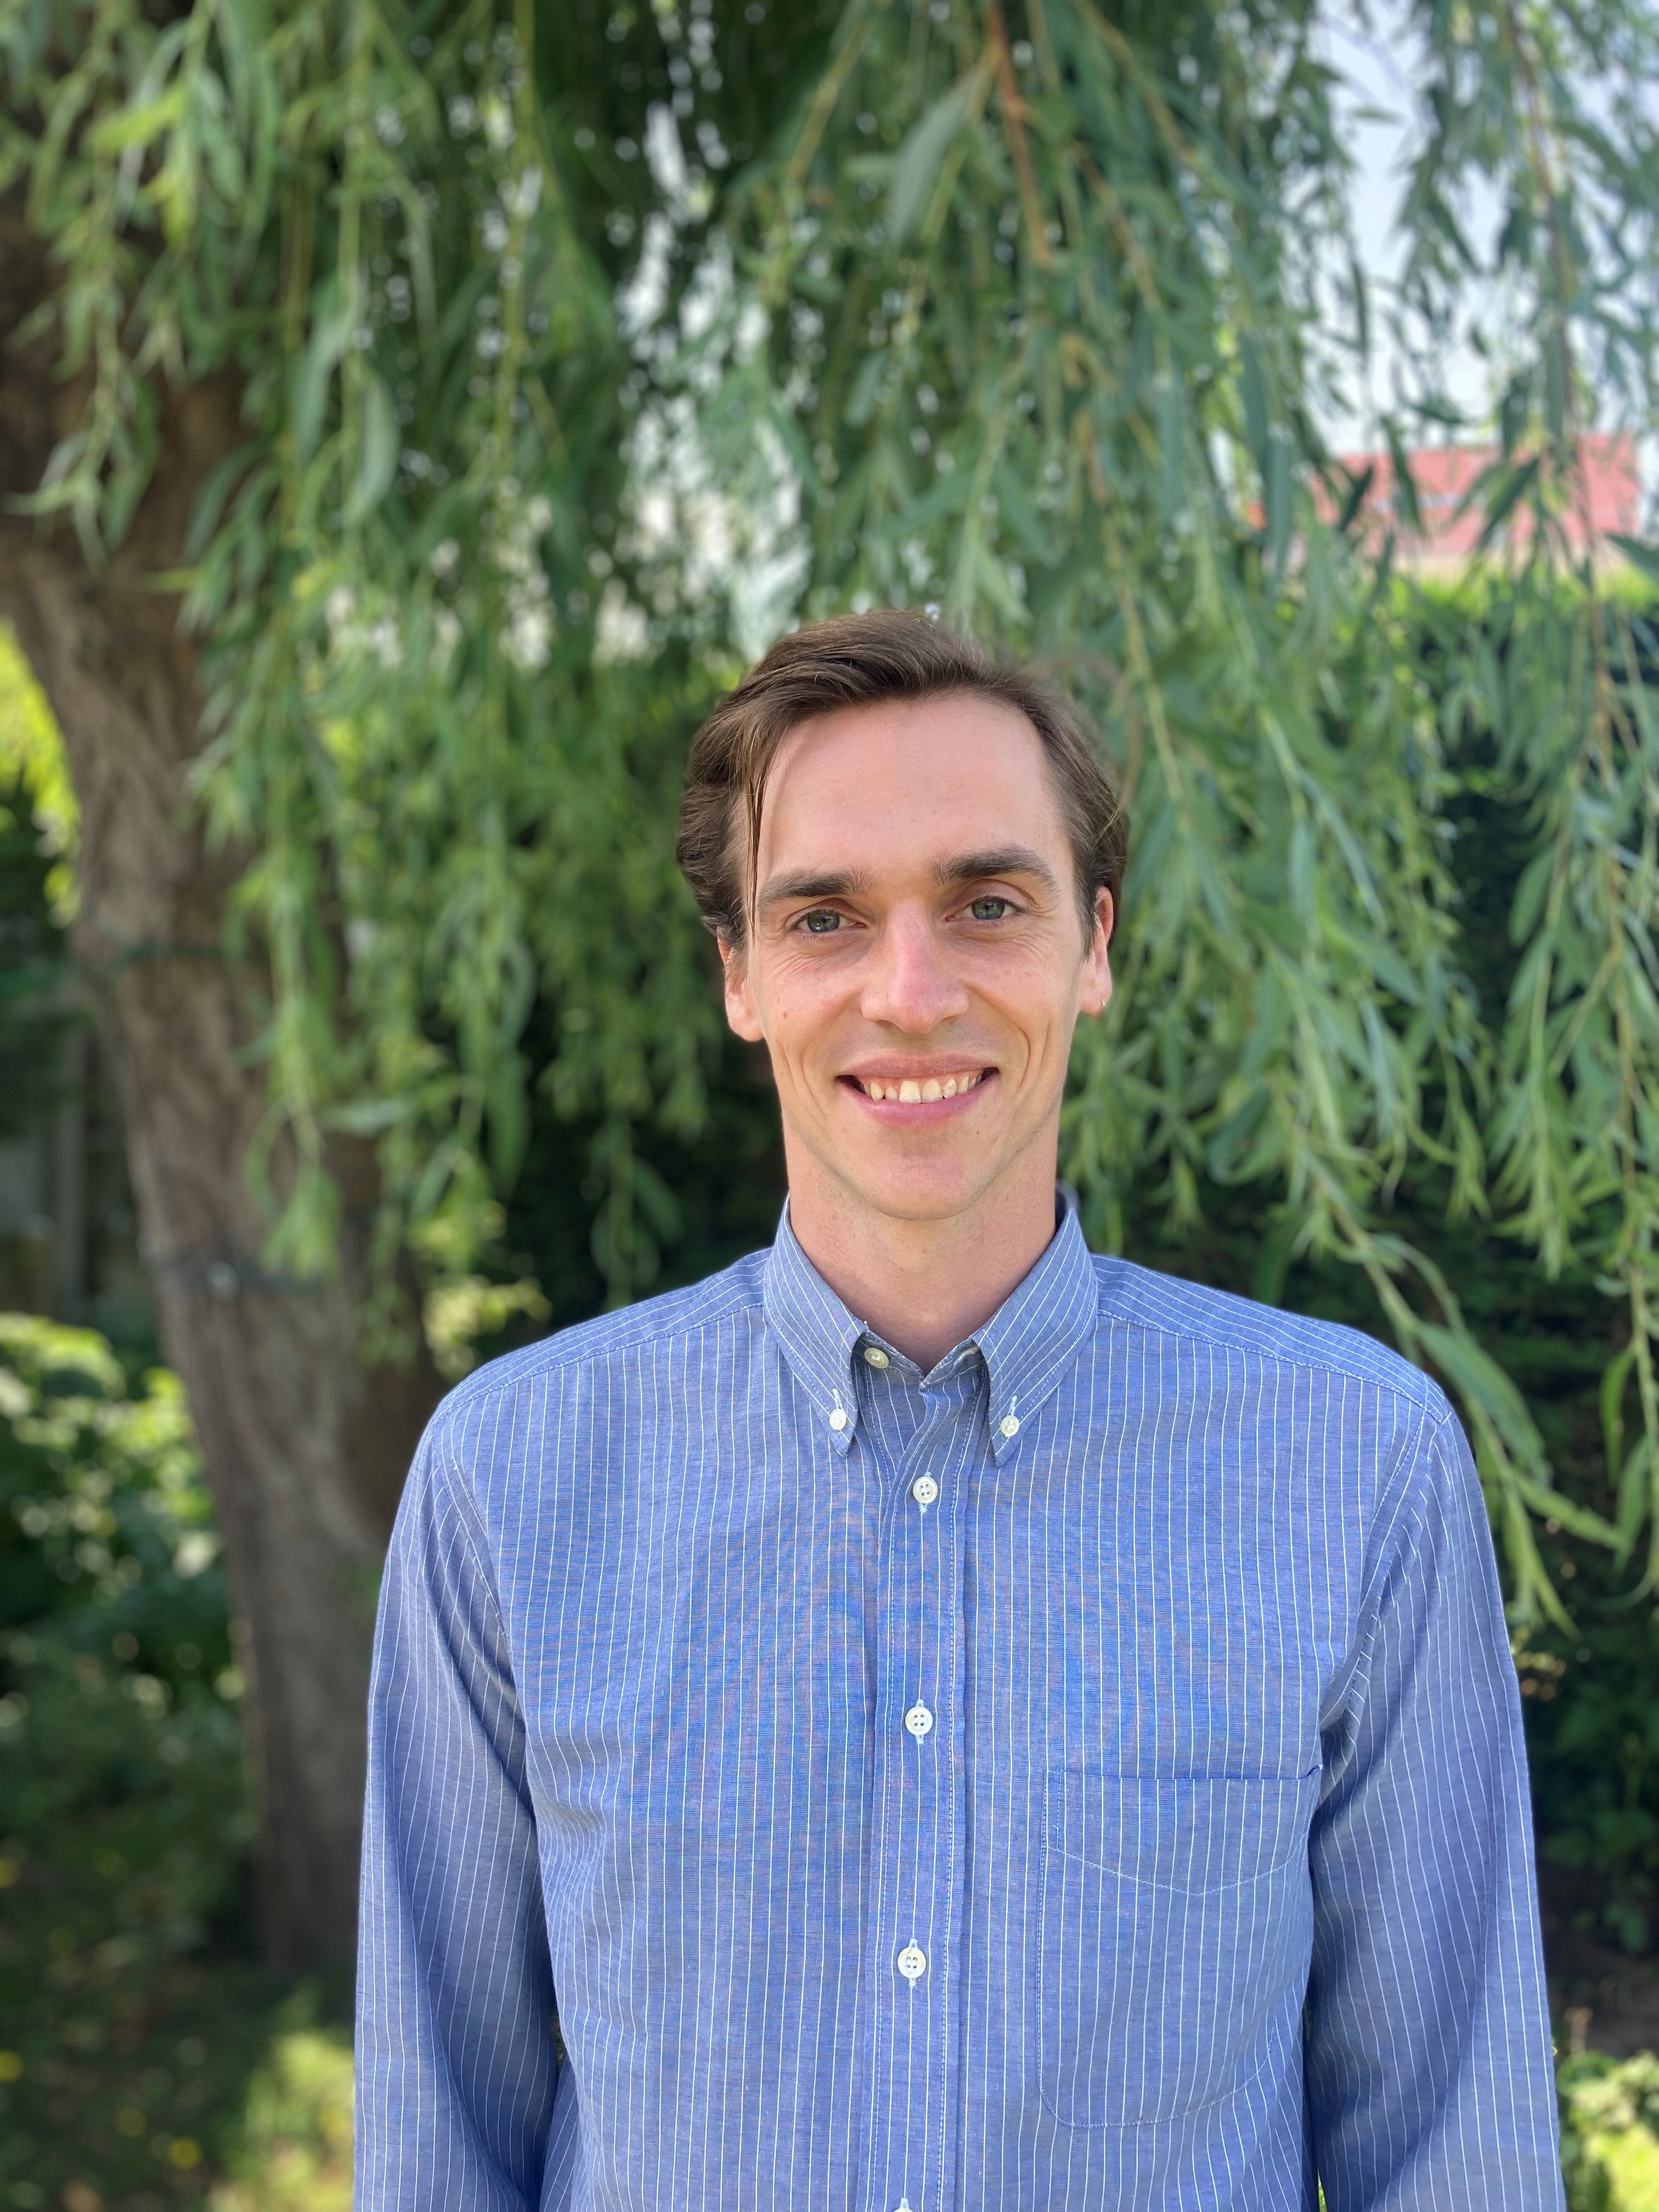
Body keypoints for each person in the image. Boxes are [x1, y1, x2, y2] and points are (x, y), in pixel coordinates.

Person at [356, 611, 1562, 2210]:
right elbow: (438, 2150)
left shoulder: (1358, 1468)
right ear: (741, 977)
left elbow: (1453, 2155)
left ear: (1096, 945)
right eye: (826, 918)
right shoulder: (513, 1480)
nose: (910, 993)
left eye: (989, 903)